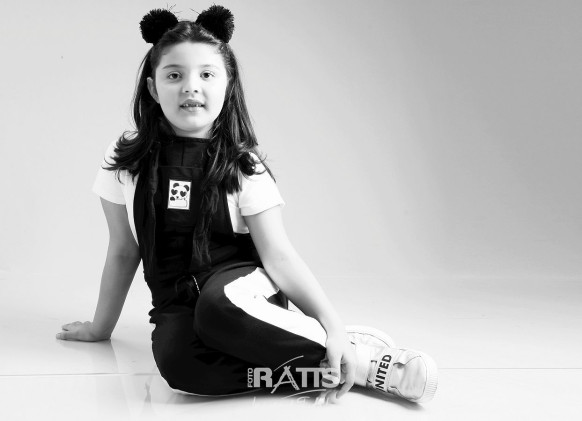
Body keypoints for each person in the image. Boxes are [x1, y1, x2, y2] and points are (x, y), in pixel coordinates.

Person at [55, 5, 437, 403]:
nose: (190, 87)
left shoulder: (243, 167)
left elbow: (279, 257)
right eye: (174, 75)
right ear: (153, 88)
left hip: (241, 290)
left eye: (206, 74)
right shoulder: (125, 158)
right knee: (182, 370)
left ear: (227, 83)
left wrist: (331, 321)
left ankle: (360, 359)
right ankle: (321, 368)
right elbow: (123, 249)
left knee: (217, 308)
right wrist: (100, 328)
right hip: (176, 302)